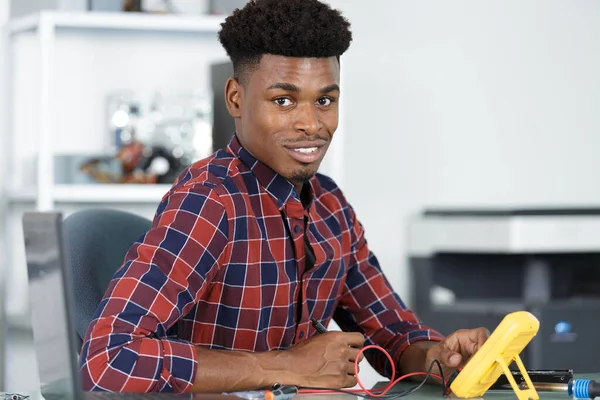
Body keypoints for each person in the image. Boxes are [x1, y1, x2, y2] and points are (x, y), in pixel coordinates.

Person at [79, 0, 489, 393]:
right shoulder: (209, 202)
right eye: (283, 100)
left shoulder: (331, 206)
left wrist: (440, 357)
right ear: (236, 99)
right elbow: (108, 359)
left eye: (325, 100)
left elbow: (393, 332)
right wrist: (285, 366)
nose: (311, 124)